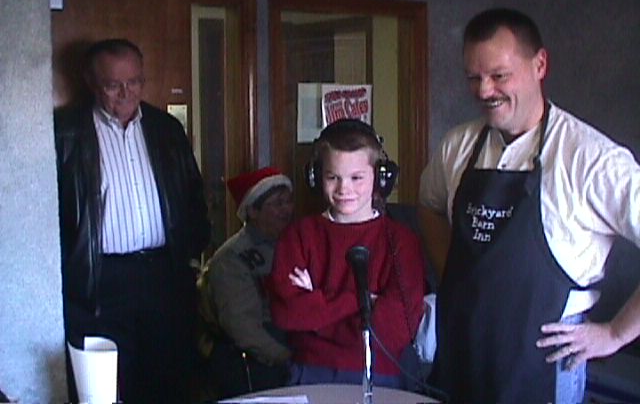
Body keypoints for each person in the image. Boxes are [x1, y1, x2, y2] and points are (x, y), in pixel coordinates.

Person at [419, 8, 640, 403]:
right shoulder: (458, 146)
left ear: (540, 65)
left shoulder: (592, 159)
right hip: (462, 349)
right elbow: (429, 205)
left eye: (499, 75)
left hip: (541, 364)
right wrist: (448, 268)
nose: (484, 91)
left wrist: (615, 334)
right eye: (473, 77)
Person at [54, 38, 210, 403]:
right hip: (99, 280)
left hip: (164, 276)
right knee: (105, 387)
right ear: (91, 83)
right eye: (113, 85)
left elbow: (192, 196)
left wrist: (191, 253)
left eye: (135, 82)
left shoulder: (166, 129)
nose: (126, 93)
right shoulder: (65, 132)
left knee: (167, 380)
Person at [268, 118, 425, 389]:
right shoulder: (298, 236)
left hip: (380, 374)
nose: (344, 189)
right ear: (317, 177)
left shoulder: (401, 241)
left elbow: (396, 330)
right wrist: (363, 302)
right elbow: (287, 314)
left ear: (380, 178)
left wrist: (317, 307)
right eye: (333, 177)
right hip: (309, 372)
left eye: (356, 178)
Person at [198, 167, 294, 399]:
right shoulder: (232, 258)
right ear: (253, 210)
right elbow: (244, 329)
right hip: (251, 360)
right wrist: (289, 358)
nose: (286, 210)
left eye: (288, 201)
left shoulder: (293, 244)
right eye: (277, 203)